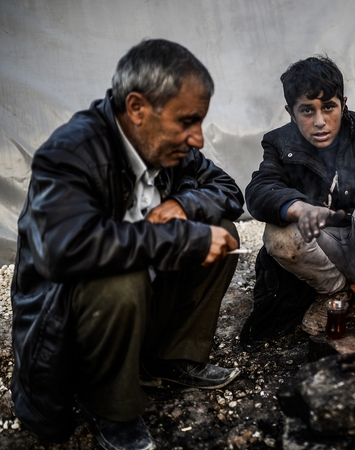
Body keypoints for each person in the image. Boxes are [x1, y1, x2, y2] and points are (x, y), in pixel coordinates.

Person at [11, 39, 245, 450]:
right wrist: (179, 238)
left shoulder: (168, 147)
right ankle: (112, 409)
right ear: (137, 109)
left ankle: (167, 359)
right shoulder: (71, 152)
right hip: (70, 327)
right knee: (121, 277)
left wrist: (182, 204)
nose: (199, 139)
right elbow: (65, 248)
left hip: (139, 306)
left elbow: (227, 189)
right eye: (187, 121)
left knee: (223, 229)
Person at [241, 56, 355, 346]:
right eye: (307, 111)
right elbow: (259, 189)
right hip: (322, 252)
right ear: (290, 112)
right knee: (279, 231)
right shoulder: (279, 143)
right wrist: (299, 208)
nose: (320, 122)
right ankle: (335, 293)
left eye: (329, 107)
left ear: (343, 103)